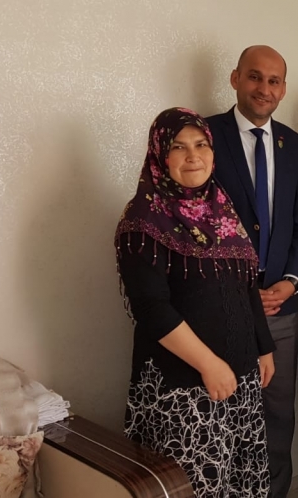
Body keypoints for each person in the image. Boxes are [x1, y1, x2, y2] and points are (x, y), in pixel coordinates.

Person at [115, 107, 274, 497]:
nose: (193, 156)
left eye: (201, 145)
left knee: (243, 481)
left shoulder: (223, 210)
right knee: (196, 487)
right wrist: (209, 365)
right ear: (160, 154)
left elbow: (246, 286)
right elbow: (151, 309)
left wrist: (264, 347)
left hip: (241, 377)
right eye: (179, 147)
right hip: (184, 386)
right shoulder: (143, 220)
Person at [206, 45, 298, 498]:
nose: (264, 88)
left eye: (273, 81)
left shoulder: (294, 143)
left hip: (279, 307)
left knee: (277, 416)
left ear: (283, 89)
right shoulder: (205, 135)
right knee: (224, 414)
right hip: (223, 308)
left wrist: (291, 282)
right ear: (235, 79)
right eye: (254, 77)